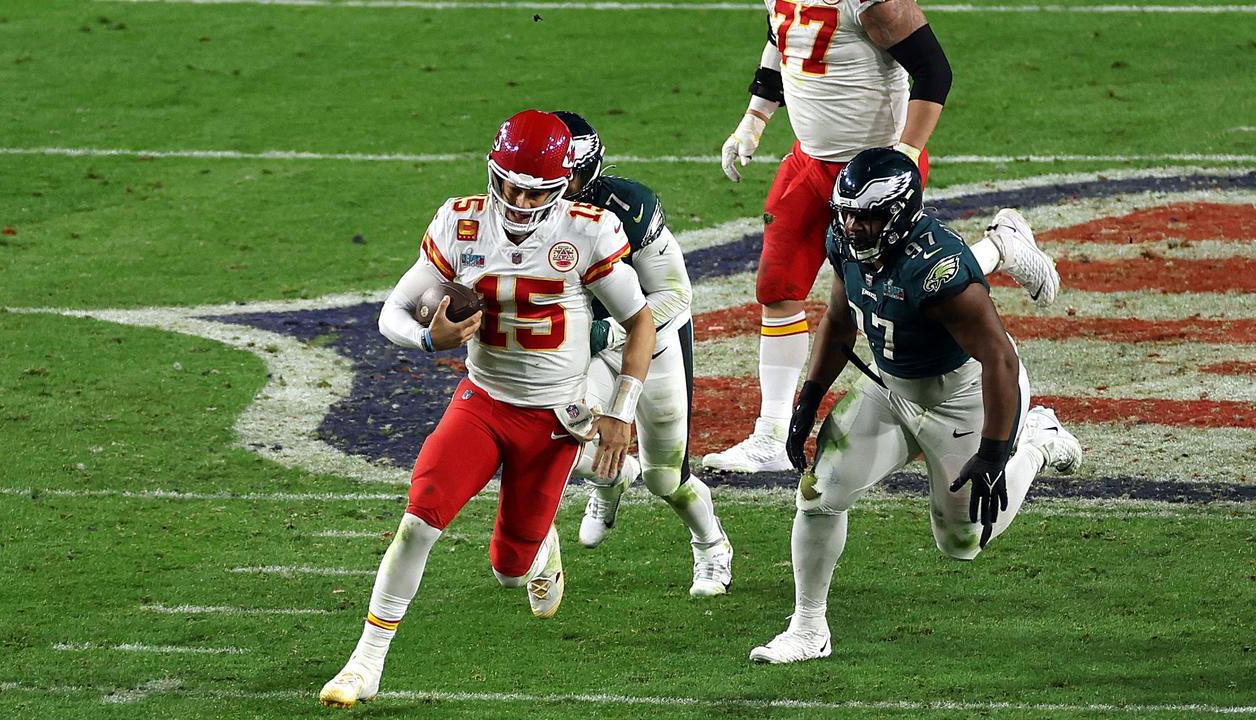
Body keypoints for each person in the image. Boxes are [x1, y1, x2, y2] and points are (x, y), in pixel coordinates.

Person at [319, 110, 655, 708]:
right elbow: (391, 312)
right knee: (419, 519)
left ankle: (540, 545)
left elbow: (639, 321)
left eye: (536, 189)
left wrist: (622, 409)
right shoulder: (461, 221)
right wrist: (429, 340)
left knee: (509, 568)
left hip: (554, 419)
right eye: (510, 183)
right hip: (481, 401)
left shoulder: (589, 230)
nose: (520, 198)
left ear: (564, 185)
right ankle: (364, 664)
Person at [749, 148, 1082, 664]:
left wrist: (996, 454)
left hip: (962, 398)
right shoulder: (843, 237)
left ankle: (1037, 442)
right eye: (849, 213)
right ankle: (808, 627)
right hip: (889, 388)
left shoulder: (938, 269)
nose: (854, 226)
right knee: (819, 492)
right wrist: (808, 399)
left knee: (963, 541)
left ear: (900, 214)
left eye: (868, 216)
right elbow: (839, 318)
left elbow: (1000, 361)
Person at [705, 0, 1060, 473]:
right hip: (808, 162)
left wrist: (907, 154)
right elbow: (782, 39)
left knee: (901, 292)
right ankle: (769, 434)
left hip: (876, 178)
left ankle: (999, 246)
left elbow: (934, 70)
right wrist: (754, 119)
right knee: (777, 287)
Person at [551, 111, 732, 598]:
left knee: (665, 476)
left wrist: (606, 331)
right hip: (582, 348)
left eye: (564, 175)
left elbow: (674, 296)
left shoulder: (627, 208)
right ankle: (611, 479)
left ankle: (711, 544)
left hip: (651, 343)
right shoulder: (520, 214)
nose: (552, 187)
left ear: (587, 171)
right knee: (560, 441)